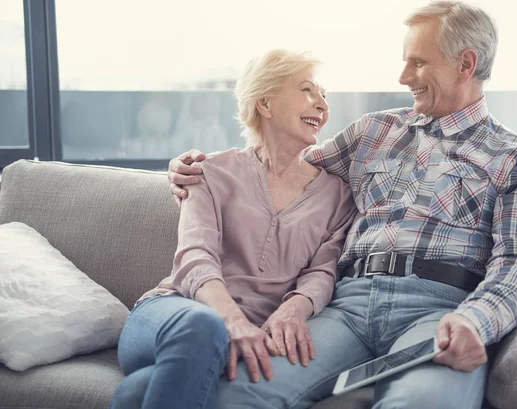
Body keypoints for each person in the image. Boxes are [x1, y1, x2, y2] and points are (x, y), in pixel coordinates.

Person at [168, 2, 517, 408]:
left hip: (438, 311)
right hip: (344, 307)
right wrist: (194, 169)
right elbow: (276, 166)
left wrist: (476, 320)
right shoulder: (373, 131)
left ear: (466, 63)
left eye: (417, 64)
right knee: (234, 392)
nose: (404, 77)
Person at [109, 49, 357, 409]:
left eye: (324, 96)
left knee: (137, 393)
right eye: (307, 90)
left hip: (252, 338)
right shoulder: (207, 171)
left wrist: (295, 310)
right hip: (173, 316)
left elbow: (322, 271)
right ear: (266, 104)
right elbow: (195, 257)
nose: (322, 105)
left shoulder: (337, 194)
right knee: (203, 328)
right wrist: (235, 323)